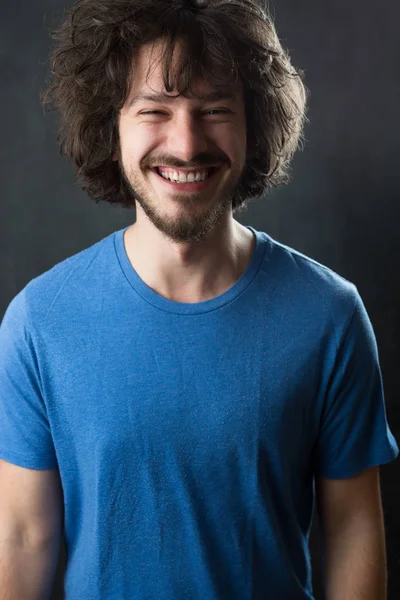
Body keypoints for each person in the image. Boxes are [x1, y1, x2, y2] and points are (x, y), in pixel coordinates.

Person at [0, 0, 398, 598]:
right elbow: (25, 536)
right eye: (154, 111)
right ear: (111, 130)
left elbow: (355, 528)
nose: (186, 145)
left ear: (253, 127)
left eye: (214, 110)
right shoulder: (39, 321)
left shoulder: (330, 316)